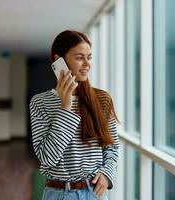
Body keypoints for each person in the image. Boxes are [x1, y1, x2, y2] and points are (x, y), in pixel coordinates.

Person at [29, 30, 119, 200]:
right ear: (59, 61)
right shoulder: (39, 102)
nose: (87, 64)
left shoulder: (102, 100)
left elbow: (112, 148)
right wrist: (66, 108)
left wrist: (107, 174)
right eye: (79, 58)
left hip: (94, 193)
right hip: (58, 193)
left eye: (89, 57)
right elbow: (47, 159)